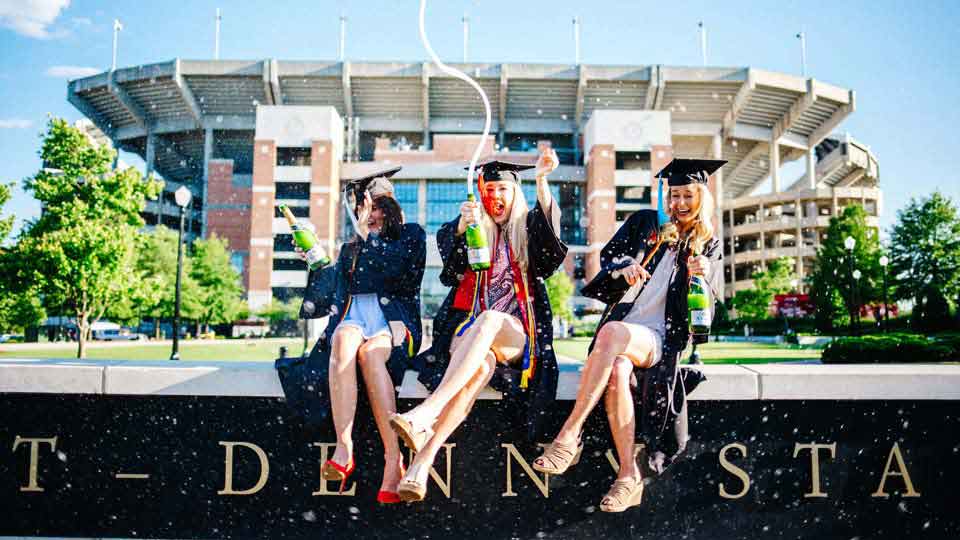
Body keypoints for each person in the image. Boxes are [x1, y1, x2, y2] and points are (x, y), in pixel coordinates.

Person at [532, 158, 726, 513]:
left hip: (660, 338)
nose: (680, 203)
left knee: (611, 334)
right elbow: (611, 256)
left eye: (688, 195)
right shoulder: (647, 223)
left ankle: (569, 434)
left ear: (702, 197)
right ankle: (627, 475)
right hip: (624, 329)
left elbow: (707, 312)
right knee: (618, 369)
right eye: (675, 195)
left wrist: (704, 274)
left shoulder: (707, 244)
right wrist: (625, 267)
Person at [389, 150, 567, 502]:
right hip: (470, 336)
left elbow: (550, 245)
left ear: (515, 193)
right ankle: (421, 465)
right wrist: (462, 225)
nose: (495, 196)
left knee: (490, 319)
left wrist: (542, 180)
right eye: (489, 190)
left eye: (502, 189)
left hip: (516, 336)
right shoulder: (475, 232)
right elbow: (451, 269)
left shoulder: (527, 229)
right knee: (479, 368)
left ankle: (426, 413)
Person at [279, 166, 426, 504]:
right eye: (363, 208)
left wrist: (367, 237)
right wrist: (316, 261)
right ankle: (344, 447)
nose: (369, 215)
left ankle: (393, 459)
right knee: (343, 341)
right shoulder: (351, 248)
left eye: (376, 207)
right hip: (353, 318)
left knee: (371, 355)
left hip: (393, 322)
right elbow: (328, 298)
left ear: (390, 208)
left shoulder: (411, 235)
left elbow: (396, 275)